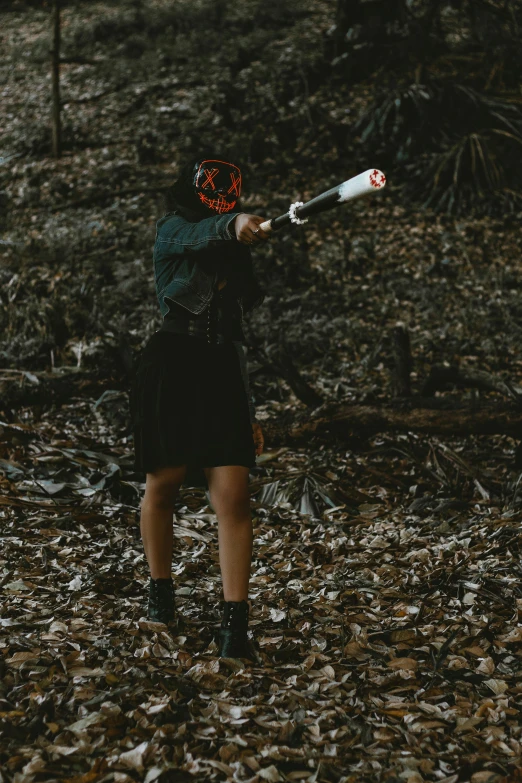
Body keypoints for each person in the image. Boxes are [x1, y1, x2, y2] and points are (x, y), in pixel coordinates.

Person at [129, 155, 270, 661]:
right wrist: (232, 223)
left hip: (219, 371)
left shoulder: (236, 253)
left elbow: (236, 339)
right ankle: (160, 595)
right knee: (162, 485)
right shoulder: (173, 230)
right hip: (171, 365)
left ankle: (235, 626)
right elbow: (199, 236)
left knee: (234, 495)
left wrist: (250, 409)